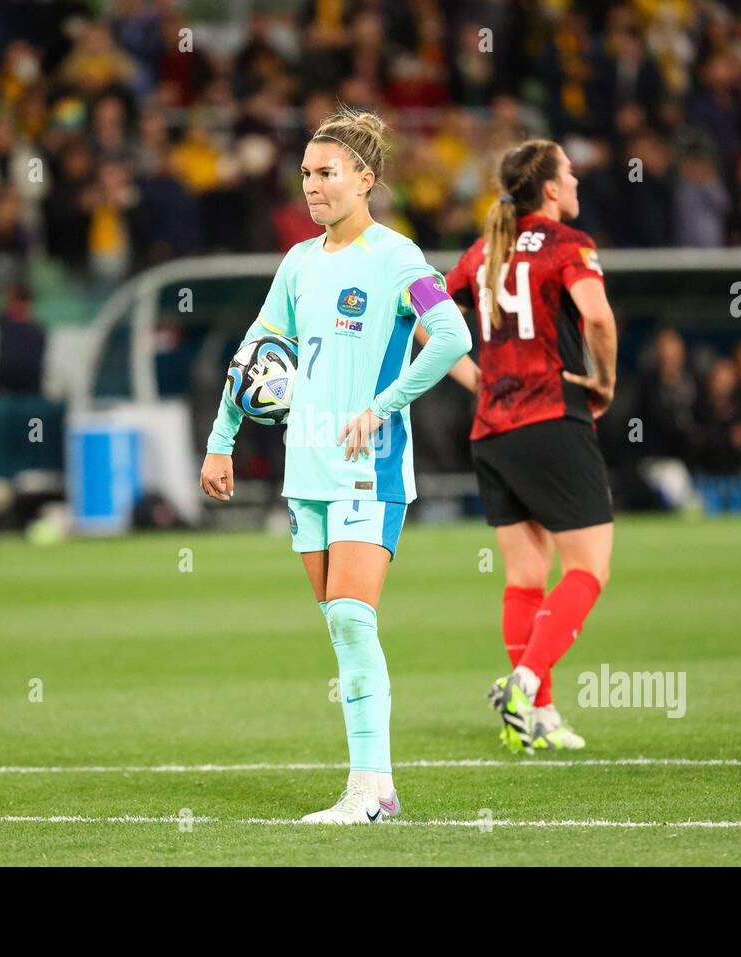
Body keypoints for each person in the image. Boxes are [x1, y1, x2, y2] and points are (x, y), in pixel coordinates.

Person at [199, 107, 471, 823]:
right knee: (340, 626)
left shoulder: (398, 258)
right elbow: (256, 351)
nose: (312, 186)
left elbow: (450, 334)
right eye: (305, 175)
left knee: (353, 618)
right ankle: (373, 790)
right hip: (306, 467)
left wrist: (384, 405)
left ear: (366, 179)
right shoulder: (297, 263)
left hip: (368, 465)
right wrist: (221, 437)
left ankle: (370, 790)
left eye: (326, 174)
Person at [431, 139, 618, 753]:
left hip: (491, 430)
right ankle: (527, 679)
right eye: (570, 173)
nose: (577, 183)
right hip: (550, 418)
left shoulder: (486, 249)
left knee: (525, 575)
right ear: (552, 188)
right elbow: (597, 317)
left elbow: (422, 305)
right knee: (587, 567)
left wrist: (476, 378)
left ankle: (535, 719)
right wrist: (605, 382)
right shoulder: (570, 244)